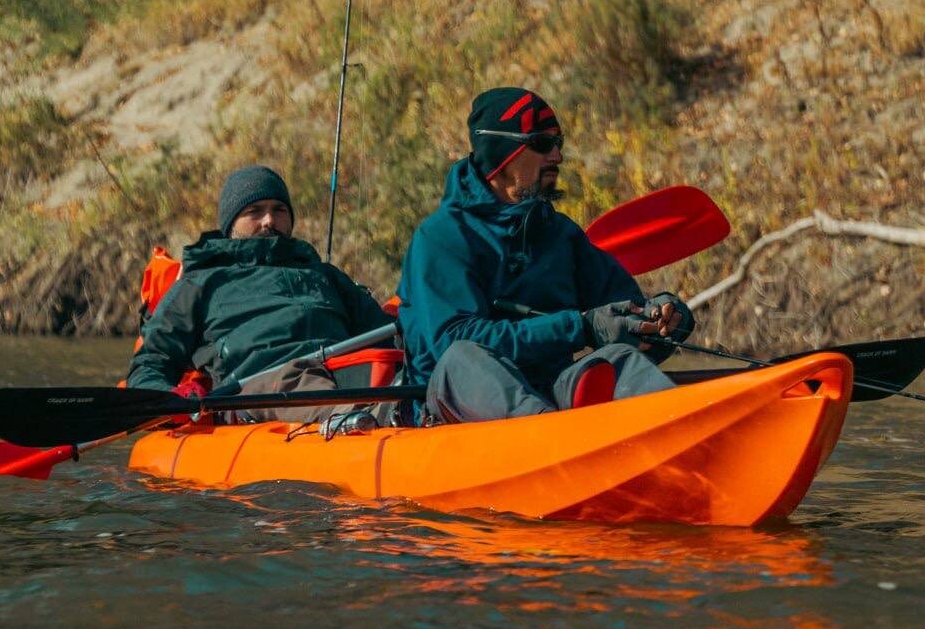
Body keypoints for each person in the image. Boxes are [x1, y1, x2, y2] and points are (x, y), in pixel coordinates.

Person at [396, 87, 695, 423]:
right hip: (455, 405)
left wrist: (665, 317)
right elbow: (453, 341)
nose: (557, 157)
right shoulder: (440, 238)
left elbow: (625, 308)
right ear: (500, 153)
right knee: (463, 356)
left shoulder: (559, 234)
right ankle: (549, 440)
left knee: (617, 359)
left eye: (558, 143)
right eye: (541, 143)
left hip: (549, 393)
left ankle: (687, 436)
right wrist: (580, 328)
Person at [126, 164, 395, 431]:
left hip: (340, 373)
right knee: (298, 377)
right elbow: (150, 364)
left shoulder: (326, 276)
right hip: (256, 389)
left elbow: (387, 336)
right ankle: (361, 421)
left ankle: (397, 415)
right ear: (231, 223)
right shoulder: (201, 284)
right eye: (254, 211)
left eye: (279, 210)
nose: (269, 220)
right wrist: (173, 399)